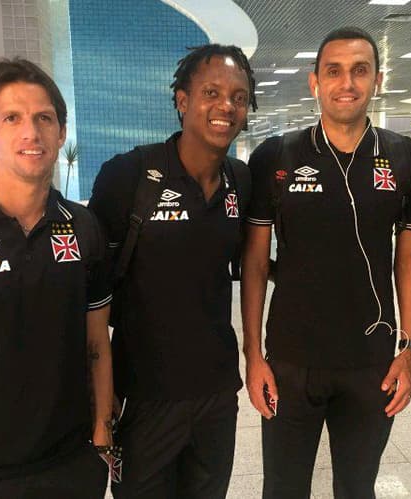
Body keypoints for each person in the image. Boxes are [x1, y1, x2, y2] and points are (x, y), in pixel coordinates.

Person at [242, 27, 411, 498]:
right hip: (289, 359)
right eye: (334, 71)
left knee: (357, 487)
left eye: (360, 70)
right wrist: (254, 355)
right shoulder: (276, 156)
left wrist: (408, 348)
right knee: (283, 489)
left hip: (371, 362)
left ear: (377, 80)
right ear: (314, 82)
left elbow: (409, 255)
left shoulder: (406, 157)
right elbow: (256, 263)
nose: (347, 82)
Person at [89, 44, 257, 498]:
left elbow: (252, 263)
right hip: (144, 398)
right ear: (182, 101)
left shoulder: (241, 182)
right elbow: (91, 298)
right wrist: (101, 404)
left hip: (216, 395)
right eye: (212, 92)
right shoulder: (128, 177)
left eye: (239, 97)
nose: (226, 106)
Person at [0, 58, 113, 499]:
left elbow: (96, 340)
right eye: (12, 118)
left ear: (60, 133)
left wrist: (101, 433)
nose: (31, 133)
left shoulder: (82, 226)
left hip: (67, 464)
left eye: (44, 118)